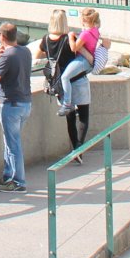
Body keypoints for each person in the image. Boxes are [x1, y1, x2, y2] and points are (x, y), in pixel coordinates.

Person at [36, 10, 91, 164]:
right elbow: (87, 55)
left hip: (60, 84)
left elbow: (37, 55)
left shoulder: (45, 39)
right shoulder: (69, 38)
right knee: (84, 116)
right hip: (78, 81)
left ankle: (75, 149)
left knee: (70, 118)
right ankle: (78, 148)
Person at [0, 21, 31, 193]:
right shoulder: (25, 51)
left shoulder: (7, 56)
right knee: (10, 141)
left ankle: (19, 182)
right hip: (25, 103)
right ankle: (7, 176)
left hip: (11, 105)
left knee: (13, 145)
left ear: (2, 37)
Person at [54, 7, 102, 116]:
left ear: (83, 20)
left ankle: (67, 104)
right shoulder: (95, 31)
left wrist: (71, 36)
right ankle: (73, 105)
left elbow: (74, 48)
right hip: (88, 61)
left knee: (65, 77)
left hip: (83, 60)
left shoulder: (85, 34)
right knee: (70, 78)